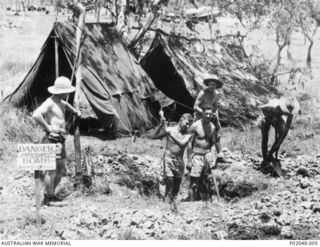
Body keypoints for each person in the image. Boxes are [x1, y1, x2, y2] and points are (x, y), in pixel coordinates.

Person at [32, 76, 81, 206]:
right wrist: (48, 127)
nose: (68, 94)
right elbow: (36, 114)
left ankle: (51, 193)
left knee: (61, 170)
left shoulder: (60, 101)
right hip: (52, 139)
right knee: (51, 170)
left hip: (60, 140)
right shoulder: (50, 102)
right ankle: (50, 198)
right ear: (61, 92)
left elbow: (66, 106)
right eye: (67, 92)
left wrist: (75, 111)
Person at [186, 108, 218, 201]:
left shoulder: (212, 126)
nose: (208, 116)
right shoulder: (195, 126)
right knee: (194, 183)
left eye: (210, 114)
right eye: (206, 114)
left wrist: (213, 157)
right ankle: (191, 204)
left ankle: (202, 203)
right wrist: (189, 160)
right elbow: (189, 143)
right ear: (202, 113)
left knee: (205, 182)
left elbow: (213, 144)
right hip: (197, 156)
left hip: (207, 155)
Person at [162, 113, 194, 203]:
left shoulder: (188, 135)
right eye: (186, 123)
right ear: (181, 120)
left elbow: (183, 144)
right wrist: (162, 122)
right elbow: (157, 134)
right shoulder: (170, 129)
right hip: (168, 159)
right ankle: (165, 203)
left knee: (176, 186)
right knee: (169, 181)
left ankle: (173, 203)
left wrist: (189, 161)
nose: (187, 126)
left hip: (179, 161)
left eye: (189, 125)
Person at [259, 97, 300, 164]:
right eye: (287, 111)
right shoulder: (273, 107)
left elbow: (286, 128)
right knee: (265, 138)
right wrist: (271, 118)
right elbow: (261, 108)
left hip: (279, 118)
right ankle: (265, 159)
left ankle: (270, 154)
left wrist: (279, 142)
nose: (289, 112)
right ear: (284, 107)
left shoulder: (291, 112)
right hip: (267, 116)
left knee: (281, 133)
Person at [193, 73, 224, 160]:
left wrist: (216, 117)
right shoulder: (202, 93)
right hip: (200, 115)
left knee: (216, 132)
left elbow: (215, 106)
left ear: (216, 86)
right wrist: (203, 113)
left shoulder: (215, 94)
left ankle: (220, 154)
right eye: (210, 84)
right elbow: (195, 106)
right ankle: (193, 156)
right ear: (208, 85)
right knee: (196, 134)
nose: (212, 86)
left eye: (214, 85)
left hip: (210, 115)